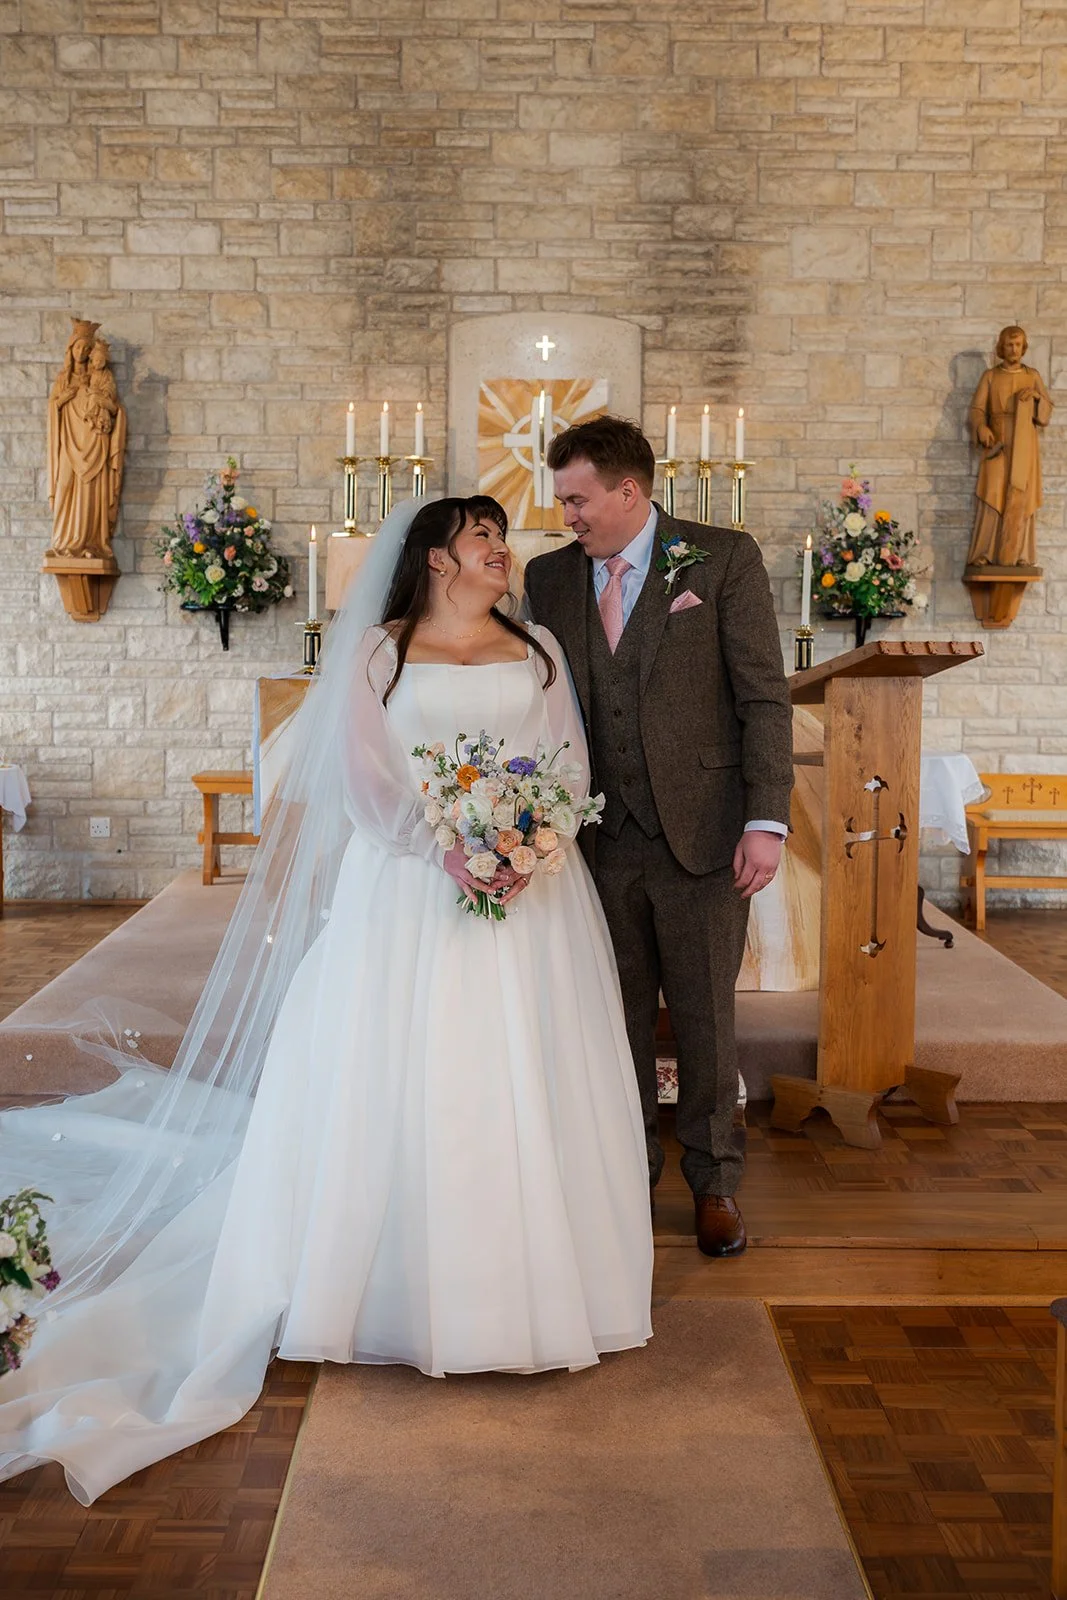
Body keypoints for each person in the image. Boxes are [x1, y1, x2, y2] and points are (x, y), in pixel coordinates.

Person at [0, 495, 652, 1506]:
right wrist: (450, 847)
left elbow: (566, 762)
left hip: (531, 901)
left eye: (501, 538)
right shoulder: (380, 656)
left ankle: (531, 1291)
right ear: (438, 558)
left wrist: (528, 840)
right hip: (408, 892)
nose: (501, 551)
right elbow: (364, 775)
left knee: (523, 1078)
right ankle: (384, 1286)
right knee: (401, 1078)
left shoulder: (541, 652)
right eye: (483, 538)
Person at [524, 417, 793, 1258]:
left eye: (577, 498)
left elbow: (762, 696)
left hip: (705, 835)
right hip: (592, 843)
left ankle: (714, 1184)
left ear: (628, 491)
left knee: (707, 1020)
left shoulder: (720, 558)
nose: (565, 513)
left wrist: (764, 818)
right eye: (562, 498)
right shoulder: (548, 579)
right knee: (614, 1020)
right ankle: (623, 1174)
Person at [966, 324, 1054, 569]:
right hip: (998, 443)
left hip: (1025, 444)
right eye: (1009, 345)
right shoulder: (991, 377)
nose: (1014, 349)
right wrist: (981, 427)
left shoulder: (1032, 376)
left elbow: (1045, 413)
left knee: (1023, 498)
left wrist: (1036, 398)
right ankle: (983, 554)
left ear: (1023, 348)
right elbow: (976, 410)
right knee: (992, 495)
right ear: (1001, 348)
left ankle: (1020, 555)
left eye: (1018, 345)